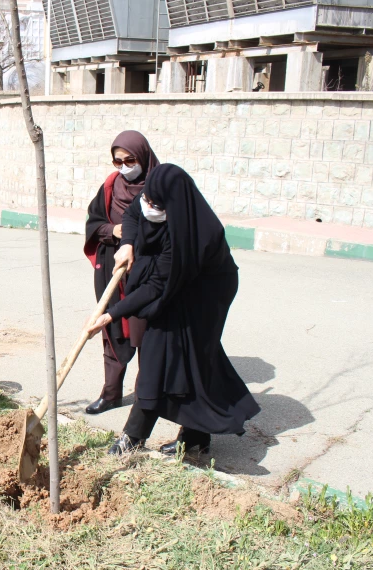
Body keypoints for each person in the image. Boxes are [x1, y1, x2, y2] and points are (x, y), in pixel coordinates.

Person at [86, 163, 260, 456]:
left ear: (174, 205)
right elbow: (132, 213)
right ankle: (195, 436)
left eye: (156, 204)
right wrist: (127, 244)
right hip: (174, 283)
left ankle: (133, 436)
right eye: (148, 200)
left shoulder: (190, 236)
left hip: (205, 293)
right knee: (188, 359)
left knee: (166, 353)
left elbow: (155, 287)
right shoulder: (152, 201)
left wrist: (111, 313)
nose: (149, 207)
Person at [82, 131, 159, 415]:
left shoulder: (158, 185)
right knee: (112, 331)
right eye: (118, 161)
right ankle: (111, 393)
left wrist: (137, 240)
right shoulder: (111, 185)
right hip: (113, 271)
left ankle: (144, 400)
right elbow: (94, 222)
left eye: (131, 160)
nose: (125, 166)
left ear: (144, 156)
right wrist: (112, 231)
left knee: (145, 335)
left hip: (146, 276)